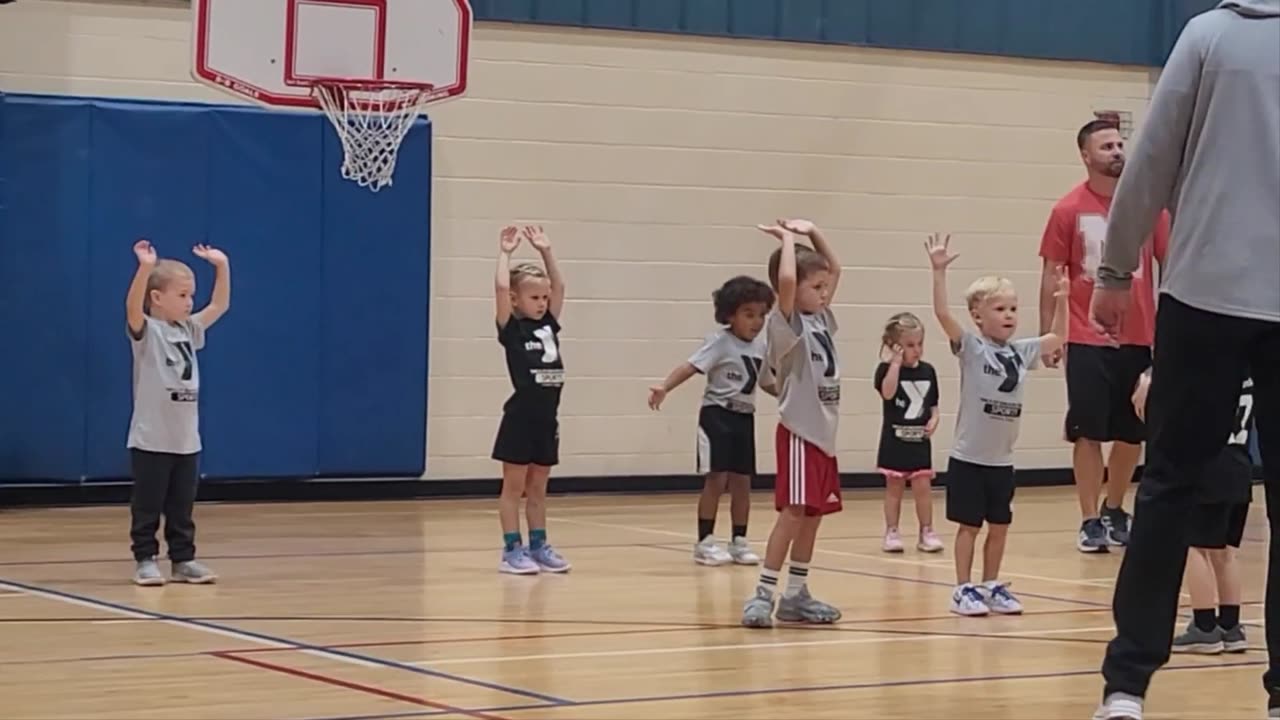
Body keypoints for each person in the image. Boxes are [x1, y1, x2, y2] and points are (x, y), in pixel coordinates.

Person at [1088, 2, 1279, 719]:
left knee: (1167, 489)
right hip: (1217, 294)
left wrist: (1113, 273)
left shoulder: (1207, 33)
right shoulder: (1210, 33)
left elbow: (1151, 163)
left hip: (1206, 292)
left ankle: (1126, 686)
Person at [1038, 119, 1170, 554]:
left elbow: (1169, 265)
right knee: (1088, 430)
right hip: (1086, 333)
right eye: (1106, 146)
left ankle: (1116, 508)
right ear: (1085, 155)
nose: (1116, 151)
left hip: (1139, 333)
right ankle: (1090, 517)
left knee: (1133, 431)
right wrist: (1050, 334)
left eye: (1119, 144)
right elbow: (1052, 275)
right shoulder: (1067, 210)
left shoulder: (1150, 208)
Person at [926, 233, 1067, 616]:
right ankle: (962, 588)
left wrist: (1063, 299)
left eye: (1013, 309)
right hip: (969, 458)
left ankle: (990, 585)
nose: (1008, 316)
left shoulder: (1020, 352)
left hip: (1002, 461)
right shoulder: (972, 348)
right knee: (968, 527)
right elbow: (942, 316)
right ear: (978, 316)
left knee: (1000, 526)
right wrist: (938, 272)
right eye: (1000, 309)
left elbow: (1059, 337)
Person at [741, 218, 843, 628]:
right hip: (800, 433)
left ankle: (797, 594)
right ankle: (763, 593)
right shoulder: (788, 325)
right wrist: (787, 241)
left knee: (813, 515)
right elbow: (785, 280)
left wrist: (814, 231)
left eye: (823, 288)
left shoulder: (822, 318)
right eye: (814, 288)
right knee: (794, 512)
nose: (824, 292)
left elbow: (834, 269)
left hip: (824, 437)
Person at [648, 275, 776, 566]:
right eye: (748, 314)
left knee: (743, 482)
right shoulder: (720, 342)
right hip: (717, 416)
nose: (756, 322)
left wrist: (793, 395)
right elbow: (690, 366)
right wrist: (665, 387)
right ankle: (705, 541)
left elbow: (767, 383)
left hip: (745, 418)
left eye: (761, 315)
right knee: (716, 479)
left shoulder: (761, 348)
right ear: (730, 314)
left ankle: (739, 541)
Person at [126, 239, 231, 586]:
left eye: (190, 295)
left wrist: (222, 265)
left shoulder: (189, 330)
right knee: (148, 505)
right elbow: (132, 309)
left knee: (181, 507)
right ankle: (145, 558)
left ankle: (183, 558)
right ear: (157, 298)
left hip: (186, 438)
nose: (190, 302)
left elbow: (219, 304)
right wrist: (145, 268)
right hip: (152, 437)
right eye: (182, 295)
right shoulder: (147, 332)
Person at [1131, 375, 1253, 656]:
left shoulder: (1210, 371)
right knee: (1225, 552)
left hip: (1209, 466)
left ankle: (1205, 626)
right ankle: (1231, 627)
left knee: (1194, 547)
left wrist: (1152, 382)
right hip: (1239, 466)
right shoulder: (1247, 372)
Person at [492, 225, 571, 575]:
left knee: (538, 487)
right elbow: (499, 286)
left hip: (546, 419)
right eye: (534, 298)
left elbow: (561, 286)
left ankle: (539, 544)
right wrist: (506, 253)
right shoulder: (512, 329)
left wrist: (546, 252)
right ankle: (512, 549)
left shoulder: (549, 324)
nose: (541, 303)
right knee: (514, 486)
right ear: (515, 300)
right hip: (521, 417)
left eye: (543, 298)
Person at [873, 312, 944, 554]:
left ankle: (927, 530)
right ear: (895, 346)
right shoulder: (885, 370)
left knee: (923, 488)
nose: (917, 350)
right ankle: (892, 531)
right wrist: (894, 363)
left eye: (920, 344)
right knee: (894, 488)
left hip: (919, 442)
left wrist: (935, 419)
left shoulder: (928, 371)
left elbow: (933, 405)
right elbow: (888, 393)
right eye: (910, 345)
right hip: (895, 441)